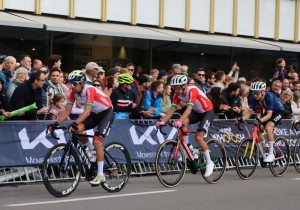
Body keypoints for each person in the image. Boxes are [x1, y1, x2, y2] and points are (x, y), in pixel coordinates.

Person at [47, 70, 114, 185]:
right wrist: (55, 124)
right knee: (76, 130)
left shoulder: (90, 90)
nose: (72, 87)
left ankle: (101, 175)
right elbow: (67, 110)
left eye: (74, 84)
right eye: (70, 84)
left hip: (106, 113)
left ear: (82, 83)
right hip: (94, 114)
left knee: (97, 141)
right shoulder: (73, 93)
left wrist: (75, 122)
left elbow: (86, 112)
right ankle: (91, 151)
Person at [156, 75, 215, 177]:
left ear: (184, 85)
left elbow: (188, 109)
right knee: (182, 124)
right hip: (197, 112)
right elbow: (171, 109)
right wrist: (162, 121)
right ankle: (190, 149)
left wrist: (179, 120)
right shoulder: (177, 94)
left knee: (198, 137)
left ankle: (210, 162)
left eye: (178, 87)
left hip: (207, 112)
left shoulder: (193, 90)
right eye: (174, 87)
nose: (176, 90)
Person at [238, 81, 285, 162]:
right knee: (259, 130)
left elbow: (269, 115)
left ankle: (271, 154)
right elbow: (249, 112)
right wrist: (241, 119)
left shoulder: (269, 96)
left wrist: (259, 120)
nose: (255, 95)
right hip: (267, 112)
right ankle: (266, 147)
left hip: (278, 112)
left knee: (268, 127)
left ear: (263, 92)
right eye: (253, 93)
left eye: (257, 93)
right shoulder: (253, 97)